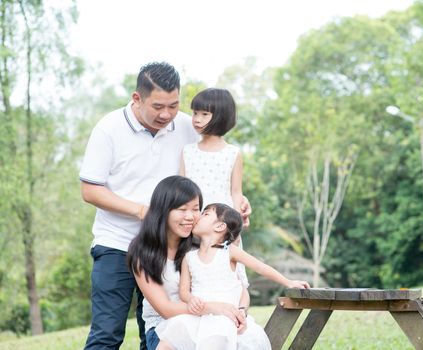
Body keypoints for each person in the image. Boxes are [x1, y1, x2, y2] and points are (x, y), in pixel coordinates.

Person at [79, 62, 252, 349]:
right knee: (107, 333)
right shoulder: (108, 129)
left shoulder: (186, 125)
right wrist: (142, 211)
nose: (167, 114)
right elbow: (90, 190)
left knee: (160, 332)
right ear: (137, 98)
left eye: (174, 105)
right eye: (158, 106)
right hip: (117, 244)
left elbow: (214, 162)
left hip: (171, 248)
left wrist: (238, 200)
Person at [127, 176, 270, 350]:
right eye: (182, 209)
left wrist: (239, 311)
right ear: (163, 210)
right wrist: (214, 308)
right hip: (166, 327)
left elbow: (239, 288)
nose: (190, 216)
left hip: (211, 324)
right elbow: (165, 309)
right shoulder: (143, 253)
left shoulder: (203, 247)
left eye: (196, 209)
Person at [155, 202, 310, 350]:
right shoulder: (189, 257)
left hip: (225, 319)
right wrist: (191, 299)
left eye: (206, 214)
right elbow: (184, 291)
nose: (198, 217)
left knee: (213, 342)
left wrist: (288, 282)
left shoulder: (229, 252)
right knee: (167, 342)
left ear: (220, 226)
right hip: (198, 317)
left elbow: (260, 267)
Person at [179, 87, 242, 212]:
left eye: (204, 114)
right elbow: (181, 189)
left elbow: (236, 192)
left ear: (221, 116)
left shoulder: (233, 153)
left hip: (222, 221)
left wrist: (236, 225)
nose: (197, 119)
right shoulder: (187, 151)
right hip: (192, 218)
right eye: (195, 113)